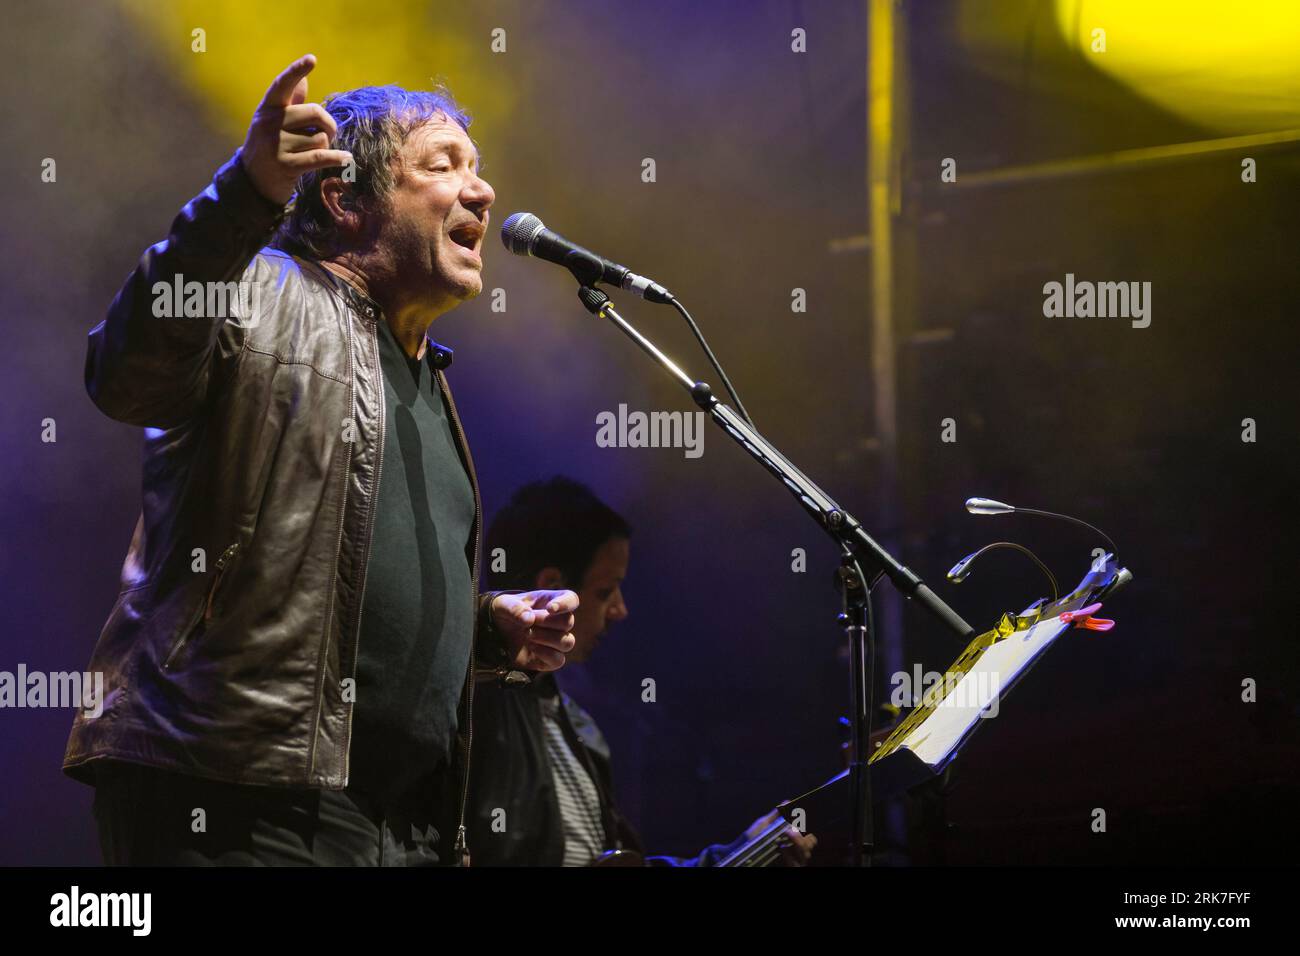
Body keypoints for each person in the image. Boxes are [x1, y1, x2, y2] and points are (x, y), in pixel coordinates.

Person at [65, 55, 580, 866]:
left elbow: (344, 590)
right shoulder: (262, 291)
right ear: (344, 198)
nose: (480, 192)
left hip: (393, 822)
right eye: (441, 166)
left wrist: (482, 631)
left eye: (477, 170)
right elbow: (124, 374)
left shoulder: (426, 379)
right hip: (236, 791)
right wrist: (245, 192)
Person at [468, 477, 817, 866]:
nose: (620, 610)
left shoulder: (581, 728)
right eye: (606, 590)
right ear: (551, 586)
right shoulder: (466, 706)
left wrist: (741, 854)